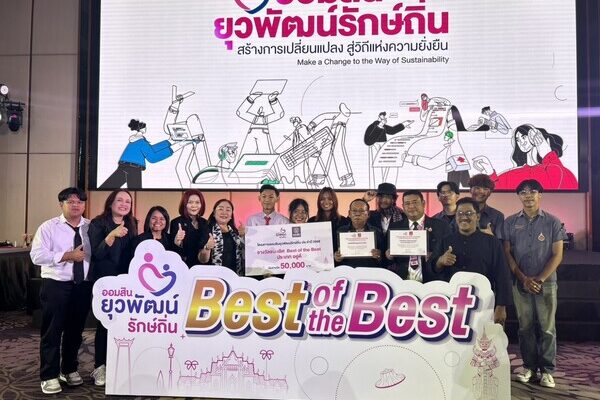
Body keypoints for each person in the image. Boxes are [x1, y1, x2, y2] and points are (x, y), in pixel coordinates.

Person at [503, 179, 566, 388]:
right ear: (518, 196)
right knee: (525, 328)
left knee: (547, 328)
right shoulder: (510, 222)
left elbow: (557, 255)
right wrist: (523, 279)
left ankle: (547, 371)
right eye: (523, 192)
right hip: (520, 283)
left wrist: (539, 280)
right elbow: (507, 253)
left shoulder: (553, 222)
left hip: (546, 283)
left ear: (540, 194)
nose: (528, 195)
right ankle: (529, 367)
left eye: (532, 191)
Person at [30, 188, 92, 394]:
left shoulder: (90, 227)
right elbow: (37, 256)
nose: (76, 205)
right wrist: (67, 256)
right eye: (70, 201)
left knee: (75, 330)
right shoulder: (48, 227)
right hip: (56, 284)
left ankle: (69, 369)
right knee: (52, 330)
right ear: (61, 204)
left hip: (82, 285)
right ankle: (49, 375)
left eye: (80, 202)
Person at [431, 197, 511, 325]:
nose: (464, 217)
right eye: (460, 213)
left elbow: (502, 275)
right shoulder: (446, 241)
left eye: (469, 213)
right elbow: (432, 269)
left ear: (477, 216)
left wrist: (501, 306)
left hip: (484, 303)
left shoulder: (492, 242)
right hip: (452, 304)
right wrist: (440, 261)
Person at [88, 189, 137, 386]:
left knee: (123, 324)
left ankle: (118, 365)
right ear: (110, 203)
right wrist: (111, 235)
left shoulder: (132, 224)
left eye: (128, 201)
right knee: (105, 324)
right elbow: (96, 254)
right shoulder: (98, 223)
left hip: (125, 282)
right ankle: (99, 367)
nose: (124, 204)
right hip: (105, 282)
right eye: (120, 200)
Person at [472, 124, 578, 190]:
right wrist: (489, 172)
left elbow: (564, 182)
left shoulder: (553, 169)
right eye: (518, 140)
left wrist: (547, 153)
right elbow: (497, 190)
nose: (521, 142)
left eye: (524, 137)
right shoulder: (511, 174)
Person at [99, 119, 192, 189]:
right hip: (133, 169)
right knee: (136, 192)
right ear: (142, 129)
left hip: (124, 167)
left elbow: (151, 149)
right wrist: (177, 146)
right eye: (145, 127)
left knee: (107, 187)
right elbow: (152, 158)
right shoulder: (141, 142)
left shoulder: (136, 140)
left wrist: (169, 141)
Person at [386, 190, 451, 282]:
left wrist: (435, 257)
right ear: (403, 207)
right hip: (402, 281)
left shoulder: (441, 226)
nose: (411, 206)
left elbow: (447, 253)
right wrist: (388, 256)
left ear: (423, 203)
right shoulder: (395, 227)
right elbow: (387, 260)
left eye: (415, 202)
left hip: (432, 281)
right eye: (407, 203)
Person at [335, 199, 385, 268]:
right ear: (349, 213)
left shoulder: (377, 232)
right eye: (354, 211)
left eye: (361, 211)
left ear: (368, 214)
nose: (357, 214)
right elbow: (334, 257)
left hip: (369, 271)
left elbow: (384, 260)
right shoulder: (341, 231)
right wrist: (336, 258)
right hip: (347, 271)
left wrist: (379, 256)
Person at [199, 199, 244, 275]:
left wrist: (244, 236)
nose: (224, 212)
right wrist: (207, 248)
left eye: (228, 210)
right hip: (215, 277)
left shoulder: (235, 232)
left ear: (231, 215)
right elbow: (202, 260)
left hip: (235, 276)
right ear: (214, 213)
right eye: (220, 209)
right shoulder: (207, 230)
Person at [169, 189, 209, 268]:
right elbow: (173, 250)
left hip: (202, 267)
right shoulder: (176, 222)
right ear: (184, 204)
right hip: (183, 267)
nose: (194, 205)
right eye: (190, 202)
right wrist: (177, 241)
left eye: (197, 202)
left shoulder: (205, 223)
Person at [308, 187, 349, 251]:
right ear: (319, 201)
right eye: (322, 199)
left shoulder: (344, 221)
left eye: (330, 199)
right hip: (316, 256)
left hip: (338, 257)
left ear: (334, 201)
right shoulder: (311, 222)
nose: (326, 202)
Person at [468, 173, 504, 238]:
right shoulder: (459, 212)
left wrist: (491, 237)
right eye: (477, 188)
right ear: (470, 190)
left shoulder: (497, 216)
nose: (481, 191)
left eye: (485, 189)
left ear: (490, 193)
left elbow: (500, 242)